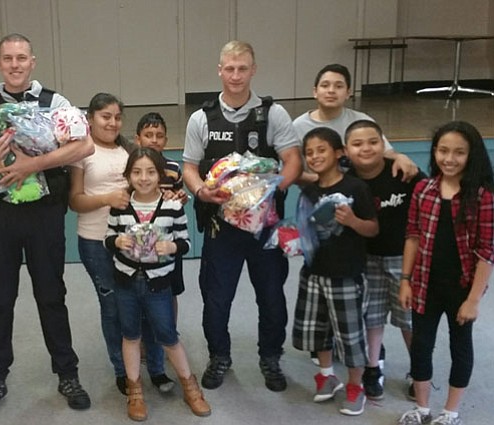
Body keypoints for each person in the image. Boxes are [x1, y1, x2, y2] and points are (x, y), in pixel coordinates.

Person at [0, 33, 93, 416]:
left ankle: (67, 372)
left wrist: (32, 164)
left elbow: (84, 146)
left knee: (51, 294)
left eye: (22, 58)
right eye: (8, 58)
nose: (15, 65)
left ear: (33, 61)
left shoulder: (55, 103)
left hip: (43, 212)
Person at [182, 40, 302, 392]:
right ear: (219, 70)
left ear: (253, 70)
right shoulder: (201, 118)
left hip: (264, 228)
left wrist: (274, 186)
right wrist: (202, 190)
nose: (235, 75)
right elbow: (189, 167)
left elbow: (293, 159)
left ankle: (270, 357)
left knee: (271, 295)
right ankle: (219, 356)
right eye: (229, 68)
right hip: (222, 227)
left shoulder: (273, 114)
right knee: (216, 298)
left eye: (242, 68)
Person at [69, 94, 172, 396]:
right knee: (113, 308)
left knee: (146, 306)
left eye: (117, 117)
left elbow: (149, 181)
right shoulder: (81, 151)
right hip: (96, 241)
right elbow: (75, 201)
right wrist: (106, 198)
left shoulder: (129, 149)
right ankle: (122, 371)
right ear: (90, 118)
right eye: (105, 116)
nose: (112, 122)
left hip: (134, 240)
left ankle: (156, 369)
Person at [397, 121, 494, 425]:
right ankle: (423, 408)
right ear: (434, 152)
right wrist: (405, 280)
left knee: (459, 346)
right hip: (425, 284)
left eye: (459, 152)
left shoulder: (482, 196)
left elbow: (485, 253)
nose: (449, 158)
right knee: (421, 346)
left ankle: (450, 412)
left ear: (472, 155)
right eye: (443, 150)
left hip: (461, 289)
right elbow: (412, 236)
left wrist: (474, 300)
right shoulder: (424, 190)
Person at [104, 147, 211, 421]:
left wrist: (171, 246)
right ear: (128, 175)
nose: (144, 178)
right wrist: (116, 242)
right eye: (137, 172)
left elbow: (186, 242)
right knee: (130, 335)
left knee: (168, 336)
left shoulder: (173, 207)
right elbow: (109, 237)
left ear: (160, 175)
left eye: (151, 172)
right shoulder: (120, 206)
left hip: (158, 284)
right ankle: (135, 390)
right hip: (126, 282)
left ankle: (190, 387)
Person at [292, 127, 378, 416]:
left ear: (339, 153)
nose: (314, 156)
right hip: (314, 273)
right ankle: (327, 375)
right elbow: (304, 228)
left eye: (321, 150)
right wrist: (293, 240)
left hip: (346, 274)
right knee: (317, 331)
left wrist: (352, 220)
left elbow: (372, 228)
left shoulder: (356, 188)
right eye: (309, 153)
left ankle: (356, 386)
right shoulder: (310, 190)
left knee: (350, 335)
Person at [344, 120, 426, 402]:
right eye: (357, 144)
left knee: (409, 320)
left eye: (373, 142)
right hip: (366, 259)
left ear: (384, 145)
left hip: (404, 260)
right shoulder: (346, 180)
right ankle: (371, 368)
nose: (366, 148)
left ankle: (419, 371)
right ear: (346, 151)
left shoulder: (404, 173)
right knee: (371, 317)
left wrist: (399, 156)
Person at [293, 63, 418, 185]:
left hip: (361, 191)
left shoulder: (361, 121)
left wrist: (400, 157)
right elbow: (292, 170)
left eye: (339, 86)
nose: (331, 91)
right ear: (315, 92)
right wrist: (324, 181)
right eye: (325, 85)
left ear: (348, 93)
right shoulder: (298, 126)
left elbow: (386, 152)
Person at [134, 112, 188, 320]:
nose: (154, 140)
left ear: (166, 140)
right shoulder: (132, 168)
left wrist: (180, 198)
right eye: (148, 134)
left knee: (171, 290)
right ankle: (142, 341)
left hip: (168, 241)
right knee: (138, 291)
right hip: (140, 240)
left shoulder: (173, 169)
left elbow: (179, 197)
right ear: (138, 139)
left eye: (159, 135)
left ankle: (170, 334)